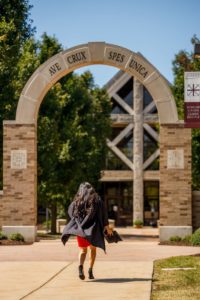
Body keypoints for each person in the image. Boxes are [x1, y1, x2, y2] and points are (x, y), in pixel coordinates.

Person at [61, 182, 113, 280]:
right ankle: (90, 270)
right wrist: (106, 226)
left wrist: (78, 223)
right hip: (94, 229)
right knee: (93, 249)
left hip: (81, 230)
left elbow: (71, 213)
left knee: (82, 250)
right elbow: (104, 213)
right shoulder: (97, 199)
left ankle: (80, 266)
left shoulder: (77, 201)